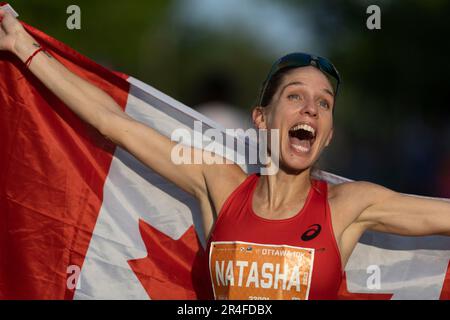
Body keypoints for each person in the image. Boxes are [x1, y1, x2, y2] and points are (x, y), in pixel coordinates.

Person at [1, 10, 449, 300]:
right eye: (295, 96)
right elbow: (110, 122)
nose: (311, 108)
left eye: (325, 103)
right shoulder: (220, 183)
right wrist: (23, 46)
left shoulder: (349, 206)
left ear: (328, 135)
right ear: (261, 118)